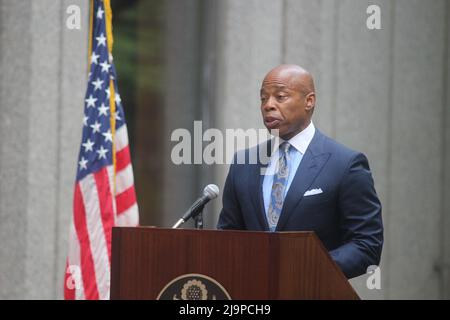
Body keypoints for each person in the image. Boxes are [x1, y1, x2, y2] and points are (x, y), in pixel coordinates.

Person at [217, 64, 383, 279]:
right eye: (263, 98)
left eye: (280, 96)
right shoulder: (244, 163)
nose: (268, 105)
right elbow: (228, 237)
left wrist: (305, 269)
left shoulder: (345, 164)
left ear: (309, 101)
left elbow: (367, 245)